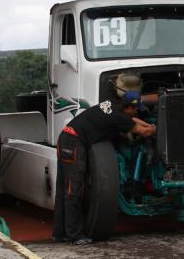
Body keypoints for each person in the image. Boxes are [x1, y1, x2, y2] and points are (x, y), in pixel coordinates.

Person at [52, 91, 156, 245]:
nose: (137, 111)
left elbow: (132, 120)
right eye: (135, 108)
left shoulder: (114, 105)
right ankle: (75, 235)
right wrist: (154, 128)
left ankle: (60, 233)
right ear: (129, 107)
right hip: (74, 142)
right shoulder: (119, 117)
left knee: (64, 190)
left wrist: (149, 124)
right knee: (74, 191)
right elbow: (144, 132)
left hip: (67, 138)